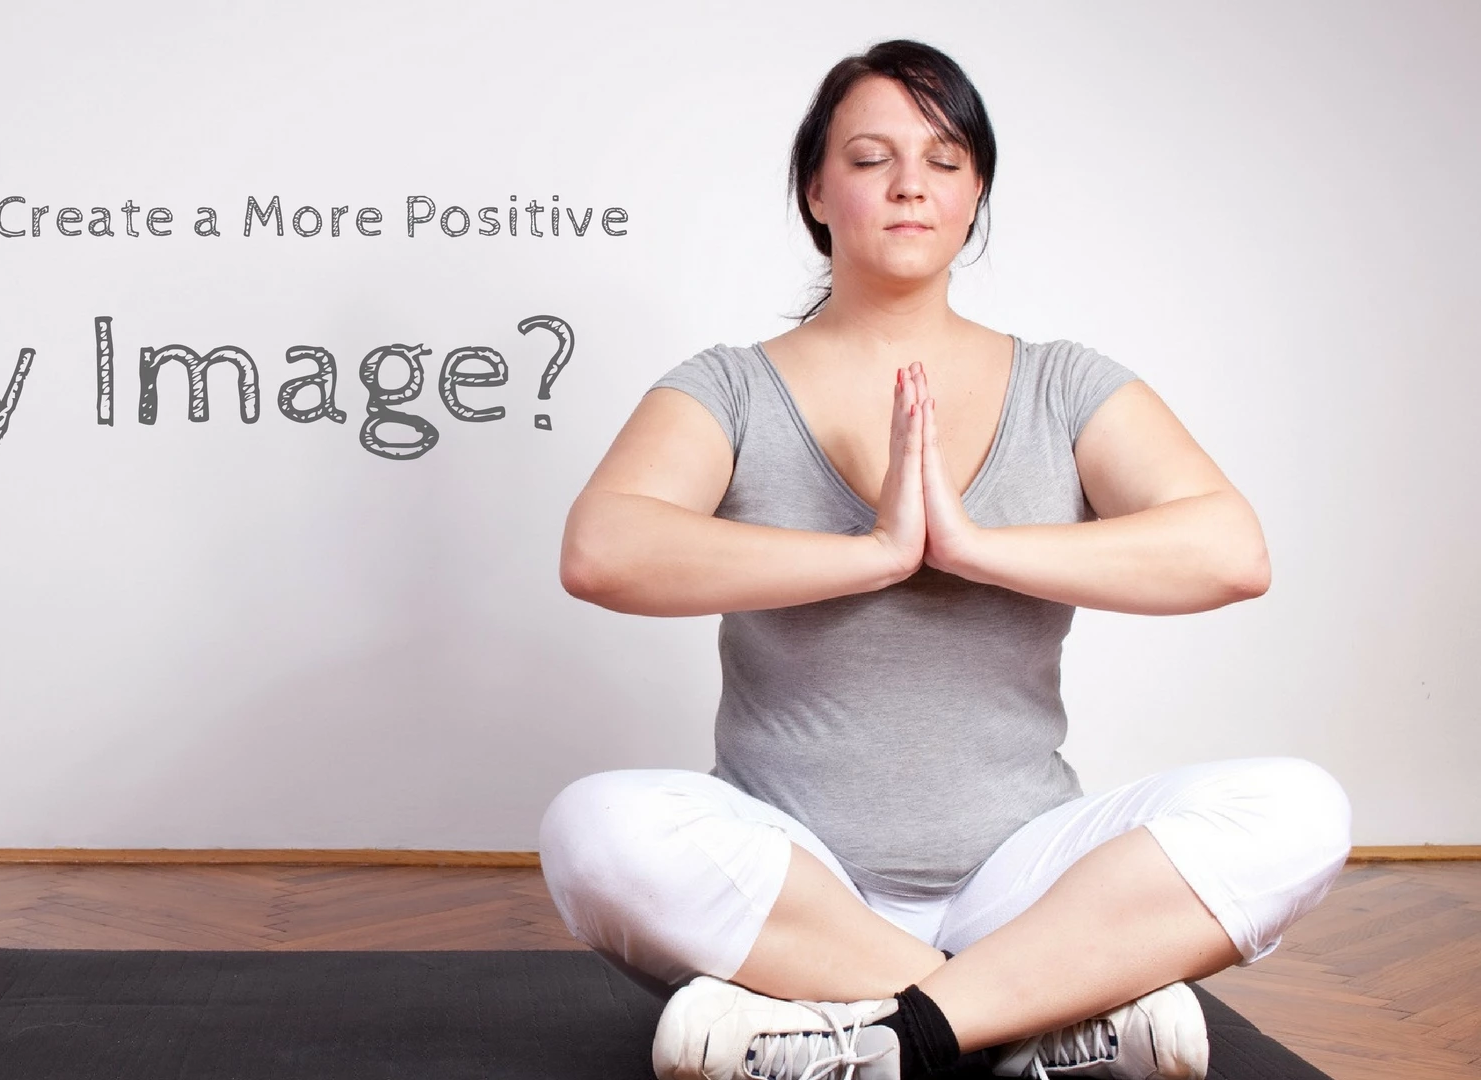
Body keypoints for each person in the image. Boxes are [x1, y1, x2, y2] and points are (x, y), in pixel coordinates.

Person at [536, 38, 1351, 1080]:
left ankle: (879, 1033)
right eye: (871, 159)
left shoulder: (1064, 384)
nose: (910, 184)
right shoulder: (729, 388)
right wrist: (873, 554)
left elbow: (1230, 551)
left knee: (1301, 809)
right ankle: (1034, 1013)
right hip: (795, 881)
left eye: (946, 159)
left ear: (976, 197)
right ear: (815, 192)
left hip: (1026, 875)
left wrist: (970, 547)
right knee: (593, 831)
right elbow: (604, 549)